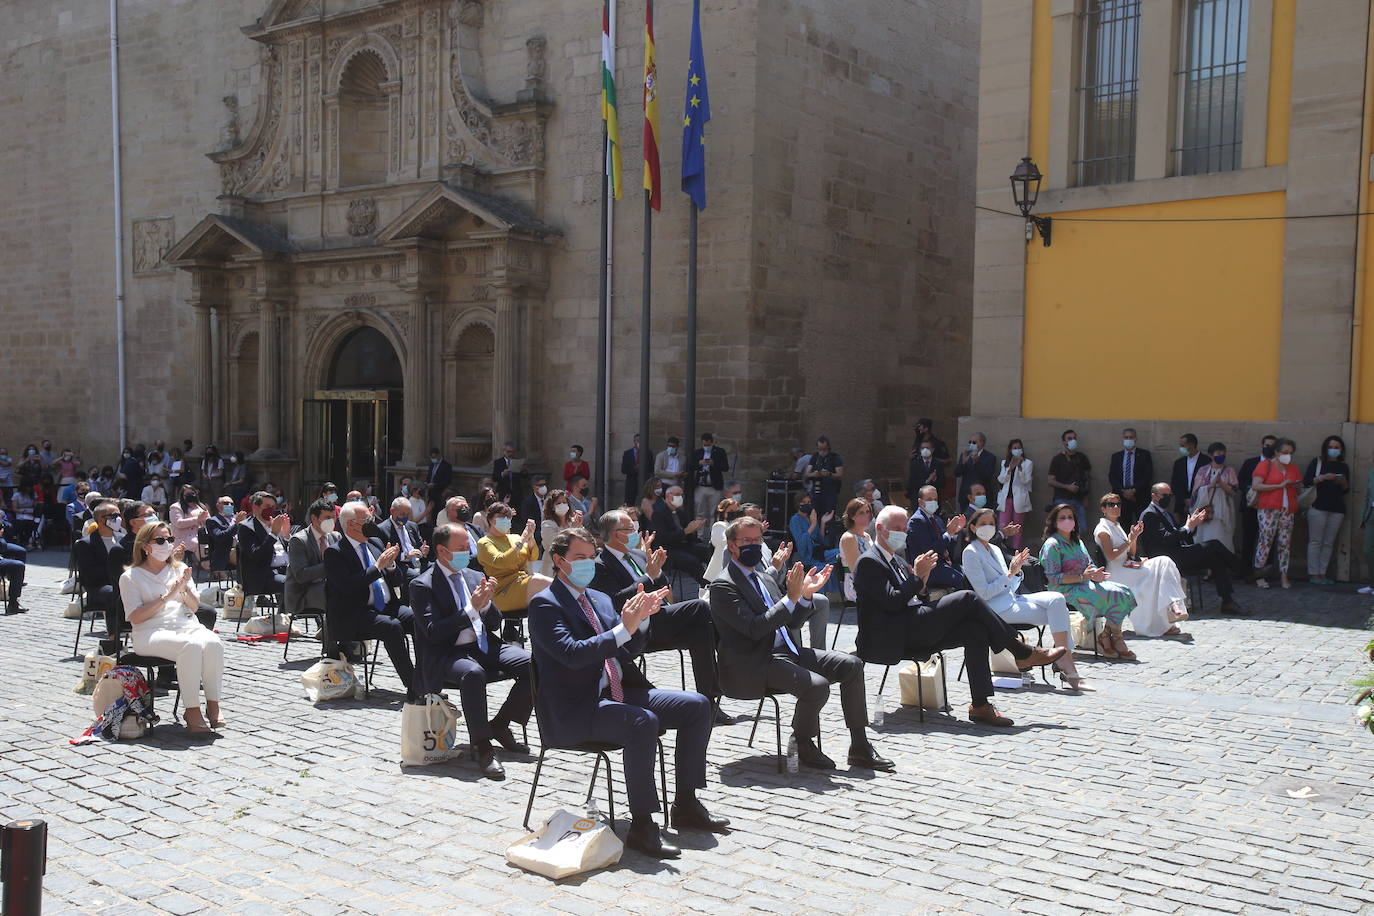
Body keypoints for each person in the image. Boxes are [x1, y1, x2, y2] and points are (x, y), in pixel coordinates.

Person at [529, 528, 723, 859]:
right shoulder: (545, 605)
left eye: (592, 558)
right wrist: (623, 628)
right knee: (641, 722)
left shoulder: (600, 599)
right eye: (580, 559)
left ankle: (686, 803)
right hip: (577, 709)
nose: (588, 564)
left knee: (698, 705)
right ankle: (643, 826)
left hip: (618, 693)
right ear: (560, 561)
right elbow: (573, 654)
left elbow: (626, 649)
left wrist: (641, 623)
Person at [710, 515, 892, 771]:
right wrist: (790, 598)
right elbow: (754, 629)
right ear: (731, 546)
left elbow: (791, 623)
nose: (753, 545)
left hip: (787, 653)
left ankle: (860, 747)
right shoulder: (723, 586)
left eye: (757, 539)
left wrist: (804, 596)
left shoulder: (763, 578)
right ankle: (802, 743)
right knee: (816, 686)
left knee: (852, 665)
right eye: (746, 541)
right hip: (752, 663)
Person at [856, 506, 1066, 726]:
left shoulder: (897, 561)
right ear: (880, 529)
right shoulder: (869, 561)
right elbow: (892, 601)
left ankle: (980, 705)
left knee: (974, 630)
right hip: (892, 634)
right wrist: (917, 579)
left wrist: (922, 582)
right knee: (967, 597)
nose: (902, 532)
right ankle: (1021, 651)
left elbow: (916, 598)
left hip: (912, 625)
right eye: (896, 528)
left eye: (904, 528)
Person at [412, 524, 531, 779]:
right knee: (473, 674)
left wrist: (487, 606)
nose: (468, 552)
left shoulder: (474, 576)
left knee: (535, 664)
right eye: (461, 548)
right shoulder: (423, 584)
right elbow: (433, 632)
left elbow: (495, 623)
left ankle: (500, 725)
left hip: (483, 644)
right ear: (442, 551)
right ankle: (483, 747)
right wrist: (470, 610)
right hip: (447, 652)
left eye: (468, 546)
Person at [593, 510, 731, 725]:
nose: (635, 532)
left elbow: (664, 586)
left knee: (701, 632)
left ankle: (710, 701)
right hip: (635, 630)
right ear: (615, 534)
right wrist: (648, 576)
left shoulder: (637, 555)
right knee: (700, 607)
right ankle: (733, 653)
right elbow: (615, 602)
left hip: (660, 620)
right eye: (630, 529)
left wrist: (656, 574)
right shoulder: (600, 564)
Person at [963, 508, 1088, 689]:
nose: (988, 527)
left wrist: (1017, 572)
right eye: (983, 524)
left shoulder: (996, 549)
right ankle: (1067, 666)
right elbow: (983, 594)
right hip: (995, 609)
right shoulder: (971, 552)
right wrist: (1009, 573)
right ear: (973, 528)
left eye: (991, 523)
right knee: (1058, 614)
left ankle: (1064, 661)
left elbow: (1009, 585)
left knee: (1057, 600)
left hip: (1013, 599)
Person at [119, 523, 225, 733]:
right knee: (191, 646)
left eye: (169, 539)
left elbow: (195, 607)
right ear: (145, 546)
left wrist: (184, 588)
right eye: (160, 540)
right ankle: (191, 709)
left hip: (185, 624)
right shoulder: (131, 577)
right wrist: (167, 596)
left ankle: (213, 703)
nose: (166, 544)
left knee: (214, 643)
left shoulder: (178, 569)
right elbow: (135, 617)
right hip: (150, 631)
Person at [324, 501, 417, 700]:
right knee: (391, 627)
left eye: (371, 518)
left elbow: (397, 580)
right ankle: (414, 685)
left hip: (386, 606)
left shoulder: (374, 543)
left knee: (420, 621)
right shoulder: (335, 552)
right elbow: (348, 587)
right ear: (350, 524)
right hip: (354, 613)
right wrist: (377, 567)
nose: (371, 523)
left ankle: (427, 677)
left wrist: (391, 567)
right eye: (365, 520)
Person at [1040, 502, 1138, 659]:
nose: (1067, 520)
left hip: (1085, 583)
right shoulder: (1052, 545)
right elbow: (1052, 577)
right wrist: (1083, 577)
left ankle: (1106, 635)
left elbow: (1089, 564)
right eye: (1062, 517)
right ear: (1054, 521)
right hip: (1063, 589)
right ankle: (1116, 638)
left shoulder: (1078, 542)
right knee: (1105, 595)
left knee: (1123, 592)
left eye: (1070, 517)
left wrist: (1096, 574)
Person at [1138, 482, 1244, 611]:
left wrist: (1193, 525)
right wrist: (1188, 527)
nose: (1169, 499)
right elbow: (1167, 539)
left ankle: (1227, 602)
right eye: (1165, 495)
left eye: (1170, 495)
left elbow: (1182, 535)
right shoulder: (1150, 514)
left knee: (1216, 559)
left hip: (1178, 553)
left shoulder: (1166, 514)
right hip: (1166, 559)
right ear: (1154, 496)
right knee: (1214, 545)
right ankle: (1244, 571)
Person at [1094, 494, 1188, 638]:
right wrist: (1129, 540)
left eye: (1118, 504)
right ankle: (1168, 614)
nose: (1116, 507)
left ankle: (1173, 605)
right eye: (1111, 504)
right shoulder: (1103, 529)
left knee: (1165, 562)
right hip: (1116, 572)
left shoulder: (1117, 526)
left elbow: (1130, 553)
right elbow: (1111, 556)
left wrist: (1134, 537)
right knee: (1157, 572)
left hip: (1128, 566)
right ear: (1103, 509)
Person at [476, 502, 552, 638]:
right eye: (501, 517)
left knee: (547, 600)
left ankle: (547, 634)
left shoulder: (514, 537)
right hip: (502, 590)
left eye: (508, 517)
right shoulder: (485, 542)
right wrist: (523, 538)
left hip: (523, 581)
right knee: (543, 583)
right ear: (490, 519)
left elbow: (533, 556)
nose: (505, 520)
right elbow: (502, 561)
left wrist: (530, 537)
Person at [1250, 439, 1302, 589]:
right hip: (1268, 508)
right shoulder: (1265, 465)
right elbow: (1256, 485)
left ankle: (1284, 576)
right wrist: (1278, 486)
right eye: (1285, 452)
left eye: (1290, 453)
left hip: (1287, 509)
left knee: (1285, 543)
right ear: (1277, 452)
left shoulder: (1293, 468)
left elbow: (1299, 489)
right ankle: (1259, 575)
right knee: (1265, 541)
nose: (1288, 456)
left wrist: (1297, 486)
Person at [1304, 435, 1350, 585]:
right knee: (1315, 541)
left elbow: (1345, 490)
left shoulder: (1343, 466)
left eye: (1337, 447)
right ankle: (1313, 574)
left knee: (1328, 543)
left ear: (1341, 450)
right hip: (1318, 507)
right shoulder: (1317, 462)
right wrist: (1322, 477)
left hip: (1337, 509)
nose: (1333, 450)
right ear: (1325, 448)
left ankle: (1322, 573)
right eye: (1331, 447)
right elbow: (1307, 481)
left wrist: (1343, 482)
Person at [904, 485, 967, 590]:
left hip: (944, 563)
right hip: (930, 569)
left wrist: (954, 533)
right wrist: (948, 534)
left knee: (969, 573)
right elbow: (930, 551)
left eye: (935, 499)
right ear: (920, 502)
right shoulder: (916, 521)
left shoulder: (936, 519)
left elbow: (946, 546)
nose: (933, 502)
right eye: (929, 499)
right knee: (960, 580)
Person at [650, 485, 712, 585]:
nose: (680, 497)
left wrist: (694, 529)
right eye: (677, 495)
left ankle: (714, 581)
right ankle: (706, 585)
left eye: (681, 495)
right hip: (667, 549)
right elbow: (663, 538)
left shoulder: (680, 512)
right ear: (668, 496)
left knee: (708, 553)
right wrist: (685, 531)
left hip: (682, 546)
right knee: (693, 562)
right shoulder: (658, 513)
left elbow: (689, 535)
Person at [286, 499, 336, 620]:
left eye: (334, 517)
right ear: (314, 518)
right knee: (336, 592)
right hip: (303, 592)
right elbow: (301, 575)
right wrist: (331, 565)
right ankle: (332, 632)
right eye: (327, 518)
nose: (332, 521)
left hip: (327, 586)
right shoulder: (299, 540)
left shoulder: (335, 536)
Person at [236, 491, 290, 598]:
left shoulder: (276, 522)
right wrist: (273, 534)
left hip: (285, 569)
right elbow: (256, 555)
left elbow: (287, 551)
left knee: (307, 580)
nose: (270, 509)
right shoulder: (246, 527)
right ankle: (286, 612)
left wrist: (286, 535)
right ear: (255, 507)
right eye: (267, 506)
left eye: (273, 507)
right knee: (290, 584)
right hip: (263, 574)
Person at [1239, 435, 1279, 575]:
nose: (1269, 448)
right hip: (1251, 507)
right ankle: (1245, 571)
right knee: (1248, 540)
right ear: (1262, 445)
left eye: (1272, 446)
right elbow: (1241, 482)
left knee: (1269, 541)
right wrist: (1252, 488)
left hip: (1270, 508)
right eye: (1267, 445)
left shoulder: (1278, 465)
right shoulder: (1250, 463)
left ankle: (1266, 572)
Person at [1191, 442, 1238, 551]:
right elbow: (1196, 491)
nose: (1221, 455)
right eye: (1218, 453)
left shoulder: (1229, 471)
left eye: (1223, 453)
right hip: (1206, 509)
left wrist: (1221, 484)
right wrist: (1210, 486)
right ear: (1211, 455)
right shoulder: (1203, 471)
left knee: (1223, 537)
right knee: (1206, 536)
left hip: (1224, 511)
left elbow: (1234, 491)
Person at [376, 496, 428, 593]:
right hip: (399, 564)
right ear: (392, 511)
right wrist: (406, 555)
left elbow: (420, 545)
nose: (405, 518)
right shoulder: (382, 529)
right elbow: (382, 555)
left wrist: (423, 551)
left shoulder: (412, 526)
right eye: (402, 514)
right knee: (416, 577)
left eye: (408, 514)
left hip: (416, 562)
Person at [1047, 430, 1091, 533]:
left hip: (1079, 500)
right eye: (1069, 439)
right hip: (1061, 499)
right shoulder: (1057, 459)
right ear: (1064, 442)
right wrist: (1067, 487)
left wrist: (1087, 497)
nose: (1073, 441)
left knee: (1081, 529)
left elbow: (1088, 478)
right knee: (1063, 530)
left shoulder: (1082, 458)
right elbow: (1050, 481)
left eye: (1074, 438)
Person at [1108, 428, 1154, 527]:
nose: (1128, 439)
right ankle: (1127, 543)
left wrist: (1134, 490)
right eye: (1126, 437)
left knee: (1142, 525)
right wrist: (1123, 491)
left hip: (1140, 496)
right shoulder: (1116, 456)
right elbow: (1112, 476)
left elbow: (1148, 475)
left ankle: (1141, 543)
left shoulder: (1144, 455)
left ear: (1135, 439)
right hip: (1121, 497)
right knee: (1124, 526)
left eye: (1131, 437)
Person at [995, 439, 1033, 548]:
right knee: (1003, 525)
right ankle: (1001, 549)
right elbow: (1001, 480)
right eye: (1014, 448)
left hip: (1020, 499)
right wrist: (1010, 469)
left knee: (1017, 528)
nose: (1017, 450)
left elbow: (1026, 481)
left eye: (1018, 448)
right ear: (1010, 450)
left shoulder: (1027, 463)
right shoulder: (1005, 463)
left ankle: (1016, 550)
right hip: (1006, 498)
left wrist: (1020, 467)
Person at [437, 495, 486, 575]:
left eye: (466, 507)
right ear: (449, 512)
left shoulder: (475, 529)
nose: (464, 510)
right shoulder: (446, 533)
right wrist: (478, 557)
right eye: (460, 508)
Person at [837, 498, 874, 604]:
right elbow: (857, 569)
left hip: (871, 578)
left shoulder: (866, 536)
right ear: (852, 516)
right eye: (861, 513)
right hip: (856, 584)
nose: (866, 515)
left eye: (867, 512)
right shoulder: (848, 538)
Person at [538, 489, 581, 577]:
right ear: (552, 507)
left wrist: (580, 525)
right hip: (552, 571)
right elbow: (557, 543)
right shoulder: (547, 524)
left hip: (572, 569)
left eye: (564, 502)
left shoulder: (572, 522)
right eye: (558, 503)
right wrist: (573, 529)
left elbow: (582, 541)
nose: (562, 505)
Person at [954, 432, 997, 510]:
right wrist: (963, 463)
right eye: (970, 442)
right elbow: (957, 473)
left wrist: (977, 462)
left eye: (974, 442)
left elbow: (988, 476)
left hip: (982, 497)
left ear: (982, 443)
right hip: (966, 495)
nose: (971, 444)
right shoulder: (966, 454)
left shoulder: (990, 457)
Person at [691, 433, 729, 520]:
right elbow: (690, 466)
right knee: (699, 512)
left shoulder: (719, 452)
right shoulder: (698, 453)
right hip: (700, 486)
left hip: (714, 486)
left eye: (708, 445)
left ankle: (713, 532)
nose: (706, 446)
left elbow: (725, 467)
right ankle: (699, 533)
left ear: (712, 443)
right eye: (704, 445)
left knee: (715, 512)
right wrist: (699, 463)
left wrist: (713, 463)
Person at [804, 436, 845, 517]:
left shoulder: (835, 457)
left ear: (828, 447)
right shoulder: (815, 456)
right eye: (820, 449)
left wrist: (829, 474)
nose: (822, 451)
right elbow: (807, 474)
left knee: (829, 516)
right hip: (816, 492)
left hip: (830, 492)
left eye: (824, 449)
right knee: (815, 515)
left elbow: (839, 475)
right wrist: (815, 474)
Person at [704, 497, 742, 581]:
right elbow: (725, 542)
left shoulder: (740, 527)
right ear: (723, 512)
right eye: (730, 511)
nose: (734, 514)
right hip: (720, 570)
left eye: (736, 511)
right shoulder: (719, 525)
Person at [168, 486, 208, 563]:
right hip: (184, 538)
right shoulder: (176, 507)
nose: (190, 495)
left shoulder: (201, 506)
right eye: (187, 494)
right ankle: (207, 566)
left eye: (192, 493)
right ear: (182, 495)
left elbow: (208, 519)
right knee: (198, 544)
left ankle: (217, 568)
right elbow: (178, 523)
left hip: (201, 535)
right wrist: (197, 520)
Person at [1171, 434, 1206, 524]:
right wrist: (1184, 499)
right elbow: (1175, 484)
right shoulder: (1179, 463)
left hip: (1200, 504)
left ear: (1191, 445)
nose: (1181, 448)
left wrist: (1193, 499)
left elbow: (1206, 483)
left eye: (1183, 446)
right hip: (1182, 505)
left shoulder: (1206, 461)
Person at [788, 494, 828, 569]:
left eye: (809, 502)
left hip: (818, 553)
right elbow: (801, 543)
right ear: (798, 504)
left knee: (839, 554)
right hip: (805, 556)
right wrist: (813, 525)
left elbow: (820, 539)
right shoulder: (795, 520)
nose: (807, 504)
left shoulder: (811, 517)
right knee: (823, 568)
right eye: (804, 502)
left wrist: (823, 522)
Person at [621, 434, 653, 507]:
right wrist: (635, 469)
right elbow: (623, 470)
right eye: (637, 440)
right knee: (629, 503)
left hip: (644, 481)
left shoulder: (648, 453)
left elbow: (651, 468)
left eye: (640, 440)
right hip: (631, 482)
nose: (639, 442)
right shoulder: (627, 453)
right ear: (634, 441)